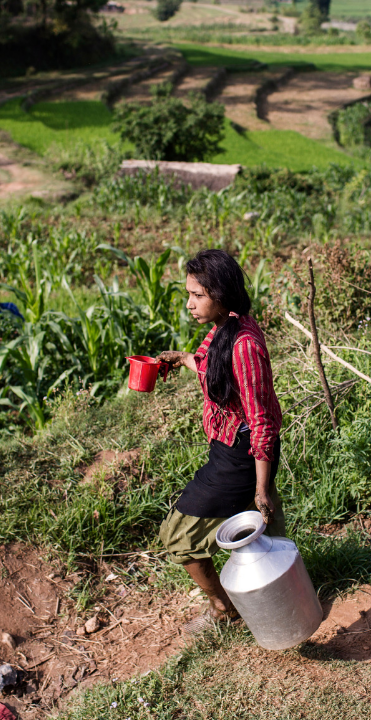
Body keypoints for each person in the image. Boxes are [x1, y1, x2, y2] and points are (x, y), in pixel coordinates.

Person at [156, 249, 283, 634]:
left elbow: (261, 421)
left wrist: (261, 485)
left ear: (222, 295)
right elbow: (214, 369)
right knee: (265, 534)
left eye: (198, 296)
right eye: (189, 294)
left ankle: (225, 609)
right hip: (232, 448)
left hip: (243, 455)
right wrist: (182, 358)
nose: (190, 304)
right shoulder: (225, 328)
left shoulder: (244, 345)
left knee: (177, 537)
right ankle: (277, 596)